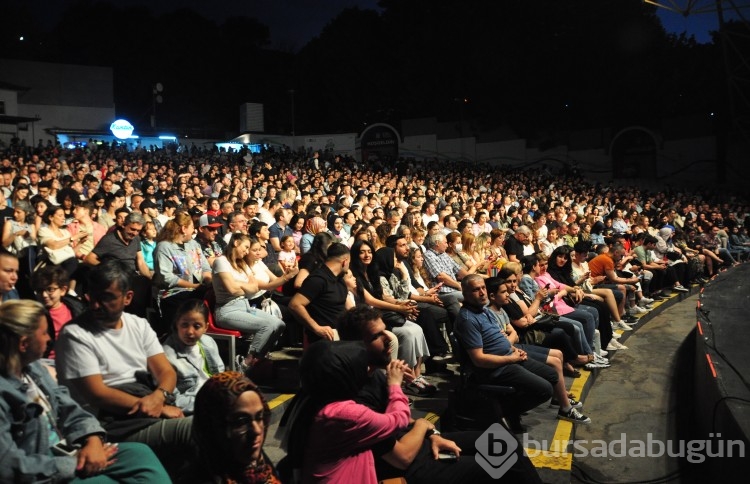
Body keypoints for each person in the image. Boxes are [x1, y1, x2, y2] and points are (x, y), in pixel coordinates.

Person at [336, 305, 544, 484]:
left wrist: (432, 435)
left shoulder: (379, 375)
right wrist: (421, 423)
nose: (388, 339)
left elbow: (404, 420)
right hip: (409, 468)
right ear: (357, 346)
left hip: (419, 444)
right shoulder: (356, 395)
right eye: (376, 336)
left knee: (503, 442)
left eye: (385, 331)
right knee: (504, 463)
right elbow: (402, 457)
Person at [0, 299, 171, 483]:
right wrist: (72, 463)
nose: (49, 338)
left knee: (140, 453)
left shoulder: (34, 369)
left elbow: (69, 408)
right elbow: (8, 466)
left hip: (67, 449)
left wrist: (92, 440)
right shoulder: (4, 391)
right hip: (45, 469)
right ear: (24, 344)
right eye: (43, 333)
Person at [55, 260, 194, 477]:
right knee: (197, 430)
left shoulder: (138, 325)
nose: (96, 305)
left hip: (147, 407)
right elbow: (98, 394)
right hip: (110, 424)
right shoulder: (75, 334)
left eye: (107, 298)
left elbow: (166, 372)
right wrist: (153, 406)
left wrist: (159, 396)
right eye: (93, 296)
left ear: (127, 297)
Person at [454, 274, 591, 426]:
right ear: (465, 293)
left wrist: (513, 349)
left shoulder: (484, 311)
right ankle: (504, 413)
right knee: (545, 389)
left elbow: (500, 337)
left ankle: (510, 409)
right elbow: (479, 359)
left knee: (552, 375)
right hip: (496, 368)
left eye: (483, 288)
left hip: (510, 355)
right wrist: (512, 358)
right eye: (475, 290)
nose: (482, 293)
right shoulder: (467, 319)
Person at [284, 340, 411, 483]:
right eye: (361, 367)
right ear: (344, 374)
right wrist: (395, 385)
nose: (368, 370)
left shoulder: (315, 396)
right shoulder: (346, 414)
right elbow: (398, 420)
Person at [212, 234, 288, 375]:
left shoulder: (242, 263)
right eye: (246, 247)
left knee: (279, 324)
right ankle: (246, 363)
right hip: (227, 310)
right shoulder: (221, 261)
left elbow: (254, 288)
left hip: (245, 306)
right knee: (266, 326)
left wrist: (240, 284)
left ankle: (257, 358)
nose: (247, 252)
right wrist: (245, 285)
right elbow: (232, 290)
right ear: (236, 243)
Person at [187, 371, 281, 483]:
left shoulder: (259, 465)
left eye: (259, 417)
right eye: (241, 422)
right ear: (213, 428)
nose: (256, 430)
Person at [162, 299, 225, 415]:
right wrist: (208, 404)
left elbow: (220, 374)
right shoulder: (166, 355)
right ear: (177, 324)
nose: (190, 332)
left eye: (196, 326)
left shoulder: (208, 342)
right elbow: (172, 399)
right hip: (193, 407)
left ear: (206, 327)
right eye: (184, 325)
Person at [153, 211, 212, 333]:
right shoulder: (164, 247)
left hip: (197, 290)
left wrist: (208, 281)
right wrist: (195, 286)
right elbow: (167, 277)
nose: (194, 231)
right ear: (184, 229)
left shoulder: (193, 244)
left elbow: (205, 268)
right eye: (192, 228)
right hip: (174, 294)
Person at [289, 242, 352, 343]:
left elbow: (349, 307)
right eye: (349, 262)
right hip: (325, 340)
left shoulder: (339, 279)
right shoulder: (318, 279)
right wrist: (317, 328)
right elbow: (295, 305)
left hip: (341, 334)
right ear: (345, 262)